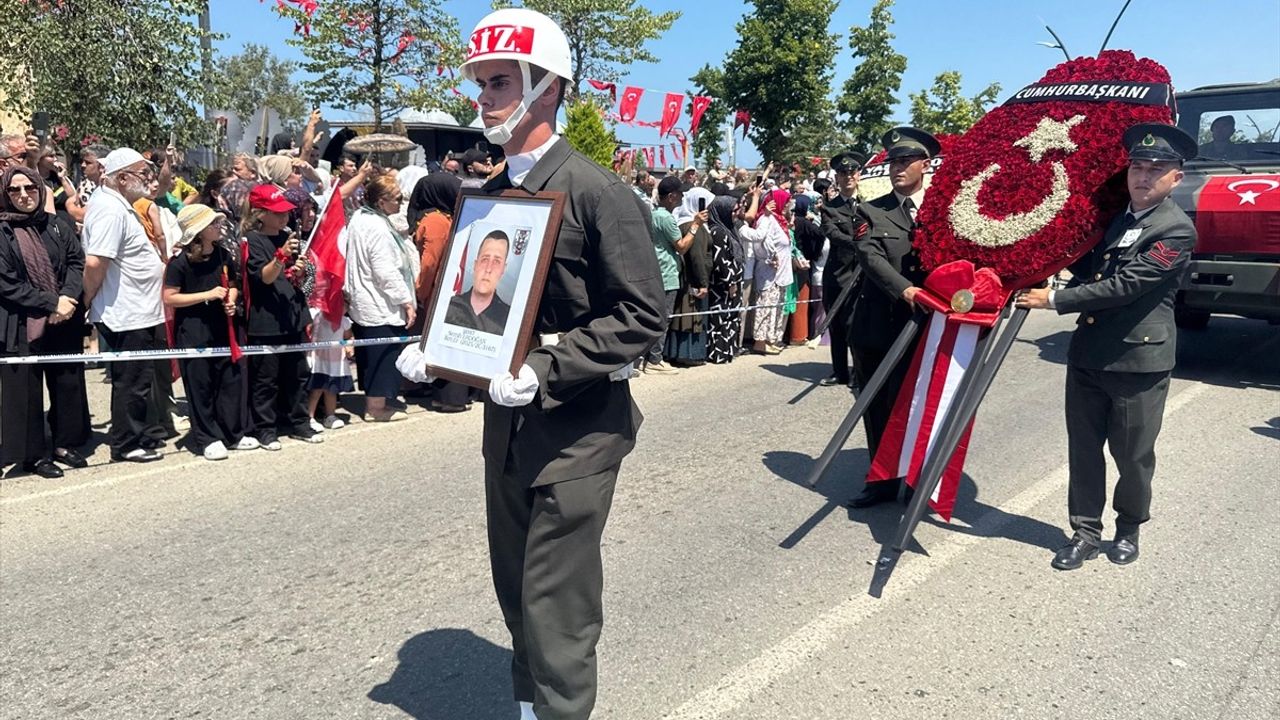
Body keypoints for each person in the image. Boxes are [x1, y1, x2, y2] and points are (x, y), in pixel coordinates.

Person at [463, 8, 666, 718]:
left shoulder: (597, 191)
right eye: (481, 83)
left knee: (557, 608)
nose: (485, 97)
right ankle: (531, 708)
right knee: (516, 591)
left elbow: (641, 315)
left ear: (546, 87)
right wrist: (440, 349)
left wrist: (547, 368)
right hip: (507, 427)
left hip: (577, 430)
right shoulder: (492, 196)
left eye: (500, 82)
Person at [1017, 123, 1199, 571]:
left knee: (1132, 456)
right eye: (1137, 167)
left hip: (1138, 362)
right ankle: (1084, 533)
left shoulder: (1175, 229)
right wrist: (1041, 250)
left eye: (1155, 169)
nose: (1143, 176)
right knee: (1083, 450)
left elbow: (1126, 285)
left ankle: (1129, 528)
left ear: (1176, 177)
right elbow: (1092, 269)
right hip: (1088, 355)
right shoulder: (1118, 220)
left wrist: (1053, 299)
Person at [846, 127, 939, 508]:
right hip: (878, 325)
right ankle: (882, 479)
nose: (897, 168)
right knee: (878, 404)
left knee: (919, 405)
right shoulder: (871, 210)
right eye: (892, 162)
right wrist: (906, 290)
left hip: (928, 328)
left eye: (905, 161)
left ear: (925, 165)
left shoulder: (942, 210)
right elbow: (870, 257)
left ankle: (916, 479)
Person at [0, 165, 90, 477]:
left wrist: (67, 299)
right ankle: (34, 456)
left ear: (40, 190)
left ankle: (65, 443)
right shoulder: (3, 231)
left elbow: (76, 261)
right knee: (26, 390)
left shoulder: (56, 224)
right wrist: (51, 303)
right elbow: (6, 283)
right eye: (15, 190)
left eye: (29, 188)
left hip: (64, 316)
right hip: (22, 321)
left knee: (67, 383)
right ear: (5, 194)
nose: (23, 195)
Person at [82, 148, 168, 463]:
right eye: (143, 173)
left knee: (140, 379)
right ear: (121, 178)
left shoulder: (119, 206)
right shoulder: (110, 210)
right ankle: (126, 443)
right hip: (126, 312)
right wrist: (85, 301)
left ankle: (140, 433)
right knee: (132, 381)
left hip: (138, 310)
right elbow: (95, 263)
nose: (149, 179)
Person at [164, 204, 258, 460]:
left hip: (222, 326)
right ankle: (207, 437)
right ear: (199, 230)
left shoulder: (222, 254)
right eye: (213, 224)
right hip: (193, 330)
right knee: (200, 385)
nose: (219, 227)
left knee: (229, 381)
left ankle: (233, 433)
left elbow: (233, 285)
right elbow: (170, 297)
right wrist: (207, 295)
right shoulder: (179, 262)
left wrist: (231, 299)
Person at [242, 184, 323, 450]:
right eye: (277, 213)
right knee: (266, 379)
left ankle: (300, 422)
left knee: (298, 374)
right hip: (266, 320)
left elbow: (298, 279)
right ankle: (265, 429)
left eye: (286, 212)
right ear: (260, 213)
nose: (283, 217)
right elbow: (264, 278)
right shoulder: (252, 240)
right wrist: (281, 256)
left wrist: (299, 272)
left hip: (292, 316)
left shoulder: (289, 236)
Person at [344, 174, 418, 422]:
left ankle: (373, 400)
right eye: (397, 199)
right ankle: (376, 408)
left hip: (364, 299)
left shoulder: (359, 217)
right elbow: (384, 270)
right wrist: (405, 301)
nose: (400, 203)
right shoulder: (376, 228)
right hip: (379, 302)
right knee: (383, 355)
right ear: (381, 201)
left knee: (370, 353)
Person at [410, 172, 471, 413]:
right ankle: (448, 398)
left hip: (446, 290)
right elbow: (429, 263)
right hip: (439, 291)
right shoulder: (437, 220)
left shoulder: (440, 217)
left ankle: (451, 396)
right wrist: (422, 291)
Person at [818, 151, 865, 387]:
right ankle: (839, 371)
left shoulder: (868, 205)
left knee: (858, 325)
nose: (848, 177)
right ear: (836, 177)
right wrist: (860, 244)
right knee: (837, 326)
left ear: (858, 175)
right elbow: (832, 233)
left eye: (852, 172)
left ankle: (859, 370)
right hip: (838, 275)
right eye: (843, 173)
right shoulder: (829, 208)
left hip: (864, 275)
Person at [640, 174, 686, 374]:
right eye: (680, 194)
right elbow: (681, 246)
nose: (683, 197)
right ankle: (654, 359)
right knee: (663, 318)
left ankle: (647, 356)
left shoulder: (653, 214)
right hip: (666, 273)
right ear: (672, 196)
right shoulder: (666, 218)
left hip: (656, 270)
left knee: (653, 317)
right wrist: (695, 227)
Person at [739, 187, 792, 354]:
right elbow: (761, 243)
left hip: (780, 273)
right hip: (769, 272)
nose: (788, 205)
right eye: (785, 201)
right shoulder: (766, 219)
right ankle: (761, 341)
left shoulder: (779, 220)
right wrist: (770, 258)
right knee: (766, 307)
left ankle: (771, 338)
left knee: (776, 307)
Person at [666, 186, 712, 366]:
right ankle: (688, 354)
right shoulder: (694, 227)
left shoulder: (683, 223)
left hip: (685, 279)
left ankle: (675, 352)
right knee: (690, 317)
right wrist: (702, 283)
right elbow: (697, 257)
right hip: (692, 281)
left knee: (682, 315)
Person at [445, 230, 512, 334]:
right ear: (475, 264)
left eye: (496, 262)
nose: (488, 269)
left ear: (503, 269)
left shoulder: (509, 318)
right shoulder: (450, 306)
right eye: (485, 259)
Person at [705, 194, 744, 364]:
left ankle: (729, 350)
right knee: (720, 319)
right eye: (733, 211)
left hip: (734, 281)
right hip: (722, 285)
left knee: (732, 317)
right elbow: (720, 260)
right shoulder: (718, 231)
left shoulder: (729, 228)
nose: (736, 214)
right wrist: (730, 281)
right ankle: (718, 353)